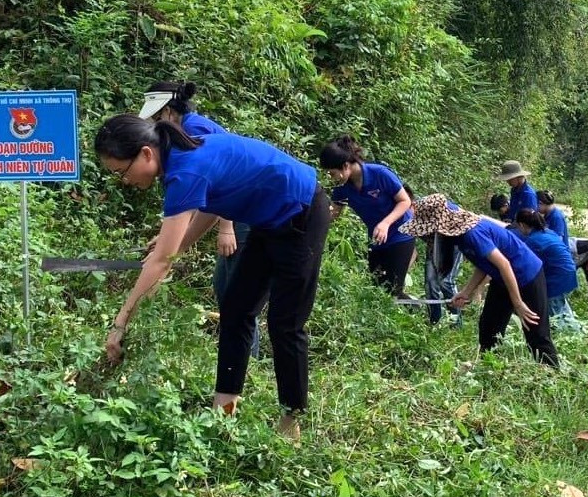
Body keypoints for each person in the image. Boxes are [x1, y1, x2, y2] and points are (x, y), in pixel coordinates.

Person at [95, 115, 330, 438]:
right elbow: (208, 203)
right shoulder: (179, 151)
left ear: (146, 154)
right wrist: (175, 245)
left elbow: (162, 262)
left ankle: (291, 421)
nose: (123, 179)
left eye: (121, 171)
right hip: (267, 221)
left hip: (302, 211)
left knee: (285, 324)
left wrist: (121, 322)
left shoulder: (185, 168)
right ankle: (224, 411)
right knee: (235, 310)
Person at [139, 81, 261, 353]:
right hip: (231, 208)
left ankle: (246, 356)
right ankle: (242, 350)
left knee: (237, 290)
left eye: (156, 117)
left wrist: (226, 227)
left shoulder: (194, 128)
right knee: (223, 285)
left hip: (239, 212)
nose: (154, 126)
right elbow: (196, 193)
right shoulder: (186, 128)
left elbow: (221, 178)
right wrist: (170, 238)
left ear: (170, 113)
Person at [400, 194, 559, 366]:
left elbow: (505, 265)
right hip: (502, 278)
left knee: (535, 331)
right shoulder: (458, 234)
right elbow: (484, 263)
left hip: (527, 275)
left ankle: (552, 372)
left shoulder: (472, 234)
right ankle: (490, 369)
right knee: (489, 328)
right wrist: (466, 292)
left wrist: (518, 303)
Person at [319, 135, 416, 299]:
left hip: (401, 235)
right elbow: (333, 213)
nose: (331, 177)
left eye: (332, 173)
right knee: (376, 287)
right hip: (377, 239)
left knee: (392, 290)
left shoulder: (379, 174)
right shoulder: (342, 188)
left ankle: (416, 311)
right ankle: (412, 306)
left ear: (345, 166)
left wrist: (385, 223)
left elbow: (405, 201)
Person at [512, 209, 584, 333]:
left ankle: (572, 336)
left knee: (555, 311)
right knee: (559, 305)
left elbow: (524, 266)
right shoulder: (547, 232)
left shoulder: (532, 241)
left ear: (522, 225)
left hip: (557, 277)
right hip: (567, 272)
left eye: (518, 226)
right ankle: (575, 331)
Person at [538, 190, 588, 315]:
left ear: (541, 203)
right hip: (572, 254)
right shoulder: (548, 215)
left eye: (537, 205)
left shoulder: (556, 216)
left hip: (583, 253)